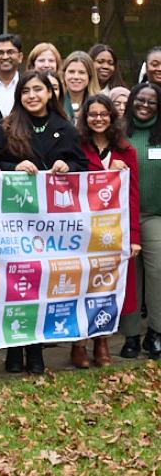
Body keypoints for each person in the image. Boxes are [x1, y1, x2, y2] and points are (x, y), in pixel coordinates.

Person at [0, 70, 88, 374]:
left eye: (38, 90)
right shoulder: (7, 127)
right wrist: (13, 165)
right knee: (15, 285)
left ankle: (35, 350)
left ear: (50, 93)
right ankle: (13, 348)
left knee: (40, 285)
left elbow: (83, 167)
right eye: (26, 91)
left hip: (52, 225)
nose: (32, 96)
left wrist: (68, 165)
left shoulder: (66, 128)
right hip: (15, 219)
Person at [77, 93, 140, 367]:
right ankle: (77, 343)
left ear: (112, 118)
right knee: (80, 286)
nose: (98, 119)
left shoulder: (126, 151)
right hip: (82, 231)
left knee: (106, 288)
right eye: (93, 114)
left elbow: (134, 195)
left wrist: (134, 237)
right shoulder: (76, 147)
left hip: (113, 232)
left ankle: (102, 341)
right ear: (85, 118)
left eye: (104, 114)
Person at [117, 81, 161, 361]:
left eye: (151, 102)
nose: (144, 106)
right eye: (139, 100)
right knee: (129, 278)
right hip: (121, 218)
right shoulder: (118, 133)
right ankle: (131, 336)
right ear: (131, 101)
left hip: (155, 215)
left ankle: (155, 333)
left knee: (157, 273)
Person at [61, 50, 99, 120]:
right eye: (71, 72)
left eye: (81, 72)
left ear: (90, 76)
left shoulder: (99, 102)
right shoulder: (55, 102)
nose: (76, 77)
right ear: (64, 74)